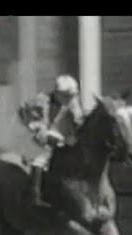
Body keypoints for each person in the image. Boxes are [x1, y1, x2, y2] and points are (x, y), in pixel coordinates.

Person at [18, 74, 85, 206]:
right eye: (66, 96)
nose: (70, 99)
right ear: (57, 93)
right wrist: (34, 126)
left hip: (62, 137)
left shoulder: (73, 102)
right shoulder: (41, 101)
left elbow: (79, 120)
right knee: (40, 159)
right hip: (40, 138)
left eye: (72, 96)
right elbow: (22, 110)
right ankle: (35, 196)